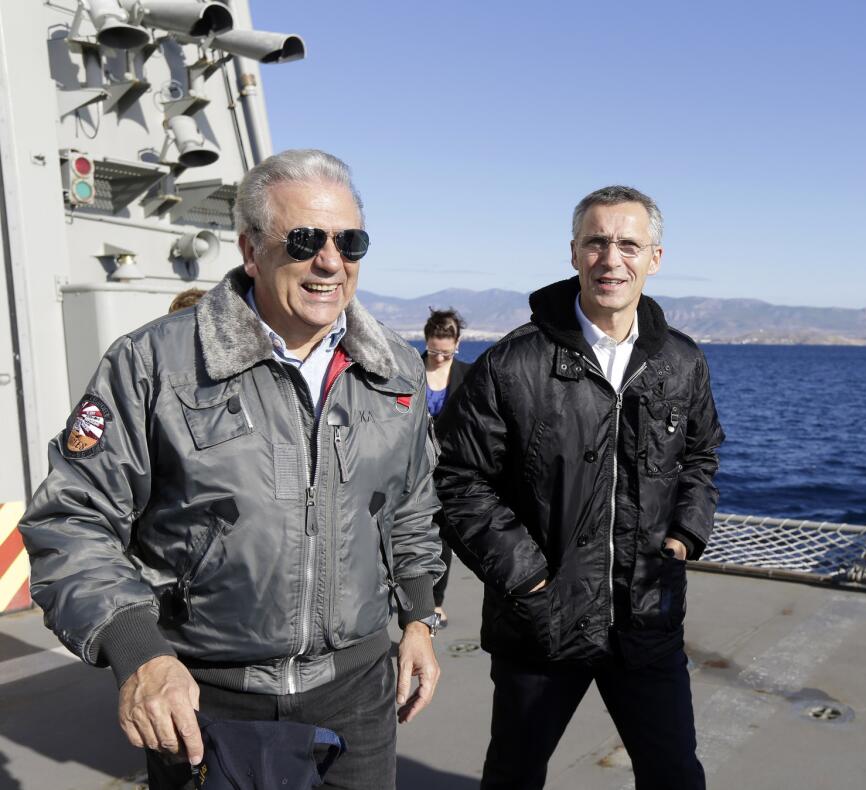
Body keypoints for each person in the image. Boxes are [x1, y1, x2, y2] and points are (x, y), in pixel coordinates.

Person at [18, 149, 444, 789]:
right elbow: (72, 519)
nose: (331, 262)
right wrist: (139, 654)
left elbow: (409, 508)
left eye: (349, 242)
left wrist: (418, 618)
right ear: (251, 250)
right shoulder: (154, 364)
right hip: (208, 696)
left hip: (358, 694)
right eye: (304, 241)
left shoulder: (394, 370)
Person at [435, 185, 724, 789]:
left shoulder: (682, 361)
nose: (610, 259)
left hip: (647, 614)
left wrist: (684, 536)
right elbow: (458, 479)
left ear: (655, 258)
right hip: (542, 622)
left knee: (675, 774)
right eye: (596, 242)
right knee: (514, 774)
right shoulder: (514, 363)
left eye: (627, 244)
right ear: (573, 253)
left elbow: (700, 453)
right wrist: (530, 577)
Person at [422, 307, 472, 629]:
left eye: (445, 351)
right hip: (410, 468)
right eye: (432, 350)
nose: (438, 358)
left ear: (457, 344)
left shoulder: (468, 375)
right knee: (403, 534)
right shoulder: (410, 368)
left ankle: (436, 603)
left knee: (443, 539)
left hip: (449, 470)